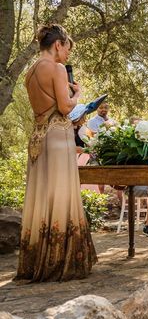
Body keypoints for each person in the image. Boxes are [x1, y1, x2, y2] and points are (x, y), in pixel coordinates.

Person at [17, 24, 97, 282]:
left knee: (42, 195)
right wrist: (78, 95)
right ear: (58, 44)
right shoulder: (57, 68)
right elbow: (64, 107)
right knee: (61, 194)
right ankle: (61, 261)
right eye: (67, 49)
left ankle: (36, 260)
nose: (67, 55)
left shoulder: (29, 73)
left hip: (38, 136)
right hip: (58, 136)